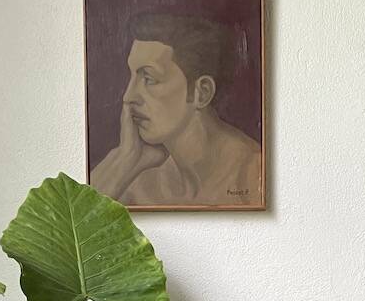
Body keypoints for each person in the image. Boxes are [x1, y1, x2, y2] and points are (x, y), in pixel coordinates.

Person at [91, 14, 261, 207]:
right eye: (132, 77)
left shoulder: (254, 176)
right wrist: (124, 157)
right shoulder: (136, 182)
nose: (128, 97)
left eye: (149, 79)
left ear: (201, 93)